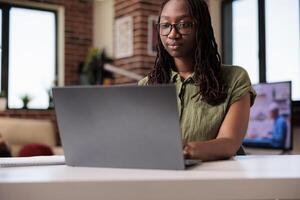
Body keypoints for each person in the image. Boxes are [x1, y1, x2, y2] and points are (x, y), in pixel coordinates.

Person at [138, 0, 256, 161]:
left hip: (215, 179)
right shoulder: (147, 85)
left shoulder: (235, 78)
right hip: (160, 176)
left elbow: (229, 143)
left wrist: (184, 150)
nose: (172, 34)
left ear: (201, 28)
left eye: (184, 24)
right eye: (165, 25)